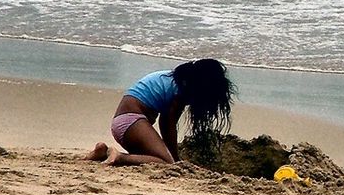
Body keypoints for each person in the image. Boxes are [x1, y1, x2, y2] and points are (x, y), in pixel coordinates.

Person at [84, 59, 236, 166]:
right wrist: (175, 159)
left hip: (123, 123)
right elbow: (167, 124)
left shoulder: (172, 79)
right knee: (165, 162)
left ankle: (101, 152)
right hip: (131, 122)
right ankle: (119, 157)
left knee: (149, 158)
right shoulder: (179, 91)